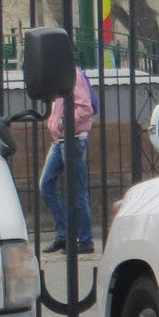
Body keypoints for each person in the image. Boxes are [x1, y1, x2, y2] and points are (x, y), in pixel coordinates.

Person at [40, 64, 96, 254]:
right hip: (60, 140)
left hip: (73, 138)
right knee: (46, 184)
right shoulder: (58, 74)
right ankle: (64, 235)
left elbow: (86, 109)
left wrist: (64, 123)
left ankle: (85, 240)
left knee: (77, 190)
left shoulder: (72, 74)